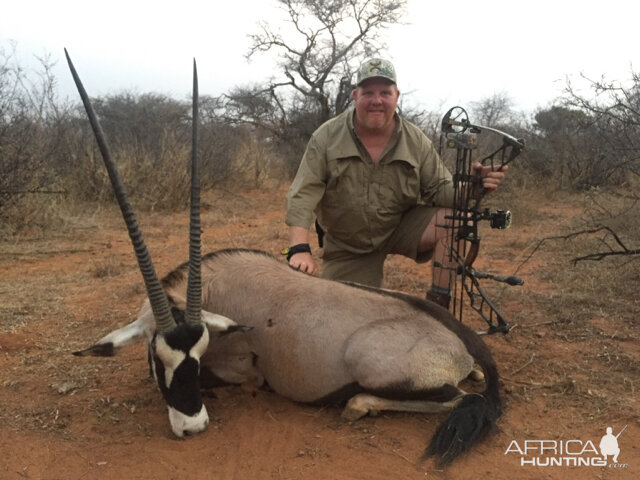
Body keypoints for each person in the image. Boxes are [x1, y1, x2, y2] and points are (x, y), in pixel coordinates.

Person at [283, 58, 507, 308]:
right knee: (343, 314)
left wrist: (472, 188)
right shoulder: (326, 136)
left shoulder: (416, 140)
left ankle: (438, 308)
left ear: (396, 96)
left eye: (384, 92)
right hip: (348, 243)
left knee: (457, 222)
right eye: (368, 92)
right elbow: (303, 193)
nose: (376, 100)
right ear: (355, 96)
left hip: (398, 228)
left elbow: (441, 190)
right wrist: (299, 248)